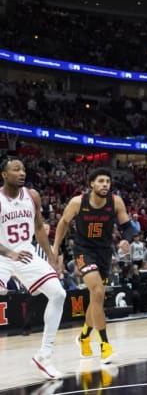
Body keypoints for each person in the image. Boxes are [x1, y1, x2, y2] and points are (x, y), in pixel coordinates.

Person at [53, 168, 138, 364]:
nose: (105, 184)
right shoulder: (78, 202)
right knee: (98, 291)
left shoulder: (115, 201)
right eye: (100, 181)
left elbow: (128, 227)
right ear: (92, 184)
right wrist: (56, 248)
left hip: (104, 252)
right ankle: (105, 346)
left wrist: (126, 240)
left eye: (107, 181)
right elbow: (63, 222)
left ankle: (84, 336)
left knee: (96, 298)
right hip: (83, 251)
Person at [0, 157, 66, 379]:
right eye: (15, 169)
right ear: (4, 175)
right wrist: (9, 253)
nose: (22, 173)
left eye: (23, 169)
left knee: (58, 293)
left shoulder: (32, 196)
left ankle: (44, 355)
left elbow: (38, 227)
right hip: (2, 256)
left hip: (26, 254)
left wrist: (51, 257)